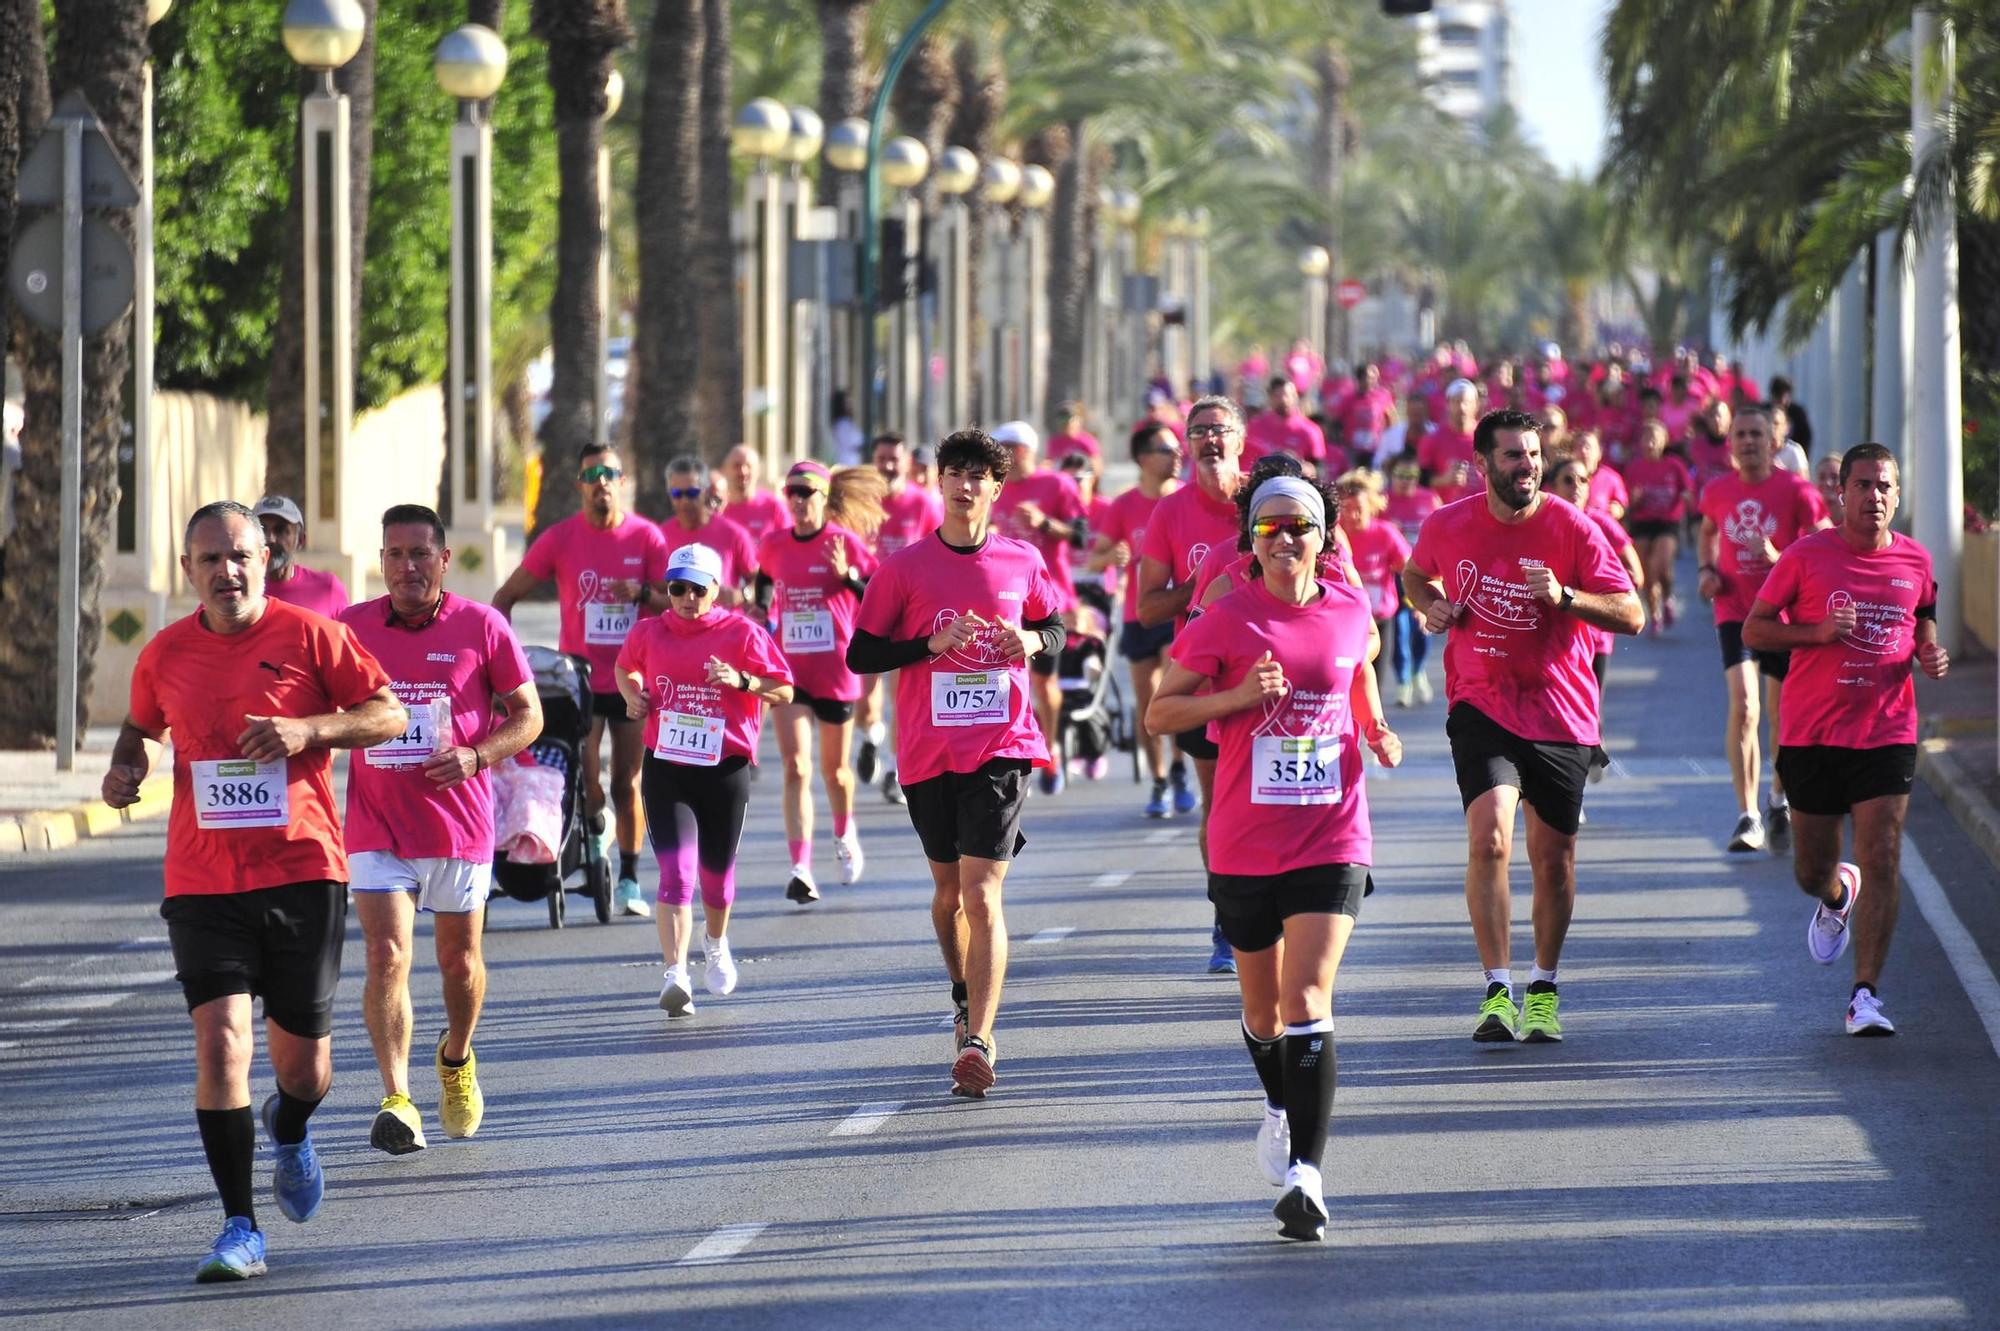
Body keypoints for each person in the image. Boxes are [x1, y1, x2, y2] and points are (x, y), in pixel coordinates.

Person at [102, 501, 404, 1283]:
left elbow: (388, 714)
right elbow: (138, 727)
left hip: (303, 871)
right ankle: (240, 1225)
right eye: (210, 560)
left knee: (303, 1070)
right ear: (188, 572)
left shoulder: (313, 637)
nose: (226, 571)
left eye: (239, 555)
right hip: (202, 880)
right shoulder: (163, 653)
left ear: (265, 558)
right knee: (222, 1043)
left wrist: (308, 731)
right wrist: (125, 766)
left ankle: (292, 1124)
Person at [1148, 474, 1401, 1241]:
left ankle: (1307, 1176)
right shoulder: (1223, 619)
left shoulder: (1354, 608)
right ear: (1251, 542)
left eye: (1301, 526)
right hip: (1245, 839)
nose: (1286, 539)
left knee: (1308, 998)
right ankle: (1280, 1104)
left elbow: (1357, 671)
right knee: (1261, 1013)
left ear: (1325, 537)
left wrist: (1378, 726)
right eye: (1270, 528)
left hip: (1332, 833)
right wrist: (1232, 699)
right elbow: (1162, 710)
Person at [1401, 411, 1643, 1043]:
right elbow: (1413, 576)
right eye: (1513, 456)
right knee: (1490, 841)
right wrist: (1431, 608)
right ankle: (1497, 988)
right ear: (1482, 465)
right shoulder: (1447, 525)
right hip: (1481, 705)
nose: (1528, 466)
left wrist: (1565, 598)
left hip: (1561, 712)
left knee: (1554, 860)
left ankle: (1543, 985)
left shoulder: (1574, 528)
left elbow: (1631, 612)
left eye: (1533, 455)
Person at [847, 428, 1066, 1098]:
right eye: (956, 473)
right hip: (925, 752)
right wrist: (928, 643)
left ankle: (979, 1038)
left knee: (982, 892)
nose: (967, 485)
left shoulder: (1022, 560)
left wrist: (1028, 637)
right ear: (938, 482)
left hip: (1001, 748)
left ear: (997, 488)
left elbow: (1057, 629)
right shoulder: (905, 569)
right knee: (948, 897)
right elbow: (861, 654)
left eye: (980, 475)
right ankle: (963, 993)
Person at [339, 505, 543, 1155]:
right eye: (395, 554)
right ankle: (396, 1097)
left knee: (458, 962)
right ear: (381, 561)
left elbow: (529, 715)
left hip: (457, 823)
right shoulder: (350, 627)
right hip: (376, 822)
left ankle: (455, 1058)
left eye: (420, 554)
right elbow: (311, 700)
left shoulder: (480, 626)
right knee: (386, 954)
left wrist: (477, 755)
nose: (407, 567)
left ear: (444, 560)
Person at [1743, 443, 1947, 1035]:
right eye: (1862, 486)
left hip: (1886, 729)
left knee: (1883, 850)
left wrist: (1927, 649)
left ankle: (1865, 996)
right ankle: (1836, 894)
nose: (1874, 497)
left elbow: (1924, 609)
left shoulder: (1915, 559)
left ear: (1897, 496)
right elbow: (1757, 628)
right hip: (1812, 735)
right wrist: (1818, 631)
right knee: (1811, 869)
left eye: (1885, 487)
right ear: (1842, 493)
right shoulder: (1806, 557)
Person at [616, 543, 794, 1015]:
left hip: (725, 770)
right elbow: (624, 667)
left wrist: (741, 682)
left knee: (715, 881)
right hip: (667, 767)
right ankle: (675, 972)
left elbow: (785, 688)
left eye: (698, 588)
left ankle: (715, 941)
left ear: (716, 590)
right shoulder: (649, 632)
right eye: (677, 588)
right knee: (675, 875)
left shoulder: (742, 632)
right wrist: (633, 696)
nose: (687, 597)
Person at [493, 444, 671, 917]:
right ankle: (596, 834)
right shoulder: (560, 538)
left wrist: (644, 594)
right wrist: (503, 660)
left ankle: (631, 877)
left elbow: (679, 604)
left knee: (627, 783)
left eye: (610, 472)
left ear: (622, 481)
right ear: (580, 485)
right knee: (588, 781)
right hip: (583, 681)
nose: (602, 482)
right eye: (592, 473)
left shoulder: (647, 538)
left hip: (633, 677)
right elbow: (505, 597)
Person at [1138, 395, 1253, 972]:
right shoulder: (1170, 513)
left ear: (1240, 440)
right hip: (1206, 685)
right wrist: (1206, 585)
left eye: (1219, 430)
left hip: (1272, 680)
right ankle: (1228, 919)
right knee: (1220, 805)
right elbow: (1147, 608)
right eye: (1198, 431)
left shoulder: (1268, 498)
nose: (1209, 440)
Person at [1696, 403, 1831, 853]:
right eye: (1741, 435)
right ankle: (1747, 814)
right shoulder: (1717, 490)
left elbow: (1823, 541)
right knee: (1746, 706)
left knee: (1782, 714)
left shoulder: (1796, 490)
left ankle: (1777, 797)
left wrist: (1782, 560)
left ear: (1773, 441)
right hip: (1734, 610)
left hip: (1785, 616)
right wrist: (1705, 570)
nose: (1749, 442)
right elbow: (1709, 530)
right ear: (1730, 443)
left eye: (1757, 434)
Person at [756, 462, 885, 902]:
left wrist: (847, 576)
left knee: (836, 772)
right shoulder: (773, 544)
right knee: (796, 767)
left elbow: (877, 595)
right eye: (791, 491)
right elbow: (764, 584)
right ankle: (800, 867)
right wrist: (761, 611)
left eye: (806, 492)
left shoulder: (843, 542)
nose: (797, 499)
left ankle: (845, 832)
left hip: (835, 668)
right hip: (790, 670)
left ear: (824, 498)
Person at [1089, 422, 1186, 816]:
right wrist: (1112, 559)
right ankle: (1160, 779)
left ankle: (1180, 769)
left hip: (1178, 613)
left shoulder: (1185, 499)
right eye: (1167, 449)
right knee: (1148, 702)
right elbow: (1095, 557)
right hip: (1138, 614)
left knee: (1173, 689)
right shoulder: (1124, 506)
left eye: (1178, 448)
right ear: (1143, 459)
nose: (1177, 455)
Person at [988, 420, 1087, 794]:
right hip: (1001, 600)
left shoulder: (1056, 484)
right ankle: (1015, 751)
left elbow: (1079, 534)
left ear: (1027, 450)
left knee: (1044, 683)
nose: (1006, 457)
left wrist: (1045, 523)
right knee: (1009, 680)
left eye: (1011, 449)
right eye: (1000, 450)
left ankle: (1053, 746)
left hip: (1048, 595)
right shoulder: (993, 489)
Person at [857, 432, 944, 802]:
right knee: (865, 699)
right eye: (882, 458)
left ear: (907, 462)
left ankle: (895, 769)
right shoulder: (862, 502)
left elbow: (941, 550)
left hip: (910, 613)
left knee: (902, 697)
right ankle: (871, 738)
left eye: (894, 458)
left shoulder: (923, 503)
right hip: (865, 607)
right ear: (873, 462)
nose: (888, 466)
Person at [1548, 459, 1646, 708]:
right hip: (1555, 635)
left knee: (1590, 709)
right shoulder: (1544, 525)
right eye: (1568, 481)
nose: (1576, 487)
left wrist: (1603, 585)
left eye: (1583, 480)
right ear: (1552, 487)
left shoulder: (1601, 523)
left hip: (1596, 634)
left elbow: (1636, 574)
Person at [1334, 469, 1411, 697]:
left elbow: (1409, 570)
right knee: (1346, 679)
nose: (1352, 516)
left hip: (1379, 620)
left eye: (1358, 510)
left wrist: (1419, 603)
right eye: (1346, 509)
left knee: (1373, 681)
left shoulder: (1385, 533)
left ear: (1372, 506)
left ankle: (1370, 728)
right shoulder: (1334, 535)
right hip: (1345, 620)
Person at [1620, 420, 1695, 634]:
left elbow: (1687, 491)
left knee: (1660, 564)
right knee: (1646, 571)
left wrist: (1688, 500)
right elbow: (1626, 503)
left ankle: (1668, 596)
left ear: (1664, 441)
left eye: (1655, 438)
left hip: (1667, 522)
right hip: (1643, 521)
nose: (1650, 442)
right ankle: (1654, 614)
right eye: (1646, 438)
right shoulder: (1635, 467)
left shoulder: (1674, 465)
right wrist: (1634, 500)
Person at [658, 455, 759, 606]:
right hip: (678, 627)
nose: (684, 500)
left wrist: (744, 594)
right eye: (677, 494)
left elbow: (761, 580)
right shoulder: (660, 536)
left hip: (723, 625)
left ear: (705, 492)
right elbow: (656, 587)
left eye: (692, 493)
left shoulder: (733, 533)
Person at [1382, 458, 1440, 706]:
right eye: (1400, 476)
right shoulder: (1383, 501)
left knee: (1423, 628)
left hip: (1425, 571)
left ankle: (1418, 671)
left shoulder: (1429, 499)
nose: (1405, 482)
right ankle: (1403, 682)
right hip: (1395, 573)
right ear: (1392, 476)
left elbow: (1442, 531)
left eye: (1410, 476)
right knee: (1400, 628)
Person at [253, 496, 350, 620]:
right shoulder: (241, 590)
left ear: (301, 541)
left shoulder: (327, 588)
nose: (270, 539)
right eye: (262, 530)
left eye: (281, 530)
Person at [1244, 376, 1330, 472]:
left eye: (1287, 395)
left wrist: (1304, 468)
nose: (1284, 400)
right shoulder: (1255, 427)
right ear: (1270, 397)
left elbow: (1319, 468)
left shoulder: (1310, 430)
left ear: (1296, 396)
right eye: (1277, 395)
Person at [715, 444, 790, 548]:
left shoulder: (774, 506)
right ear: (725, 470)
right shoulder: (718, 510)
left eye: (748, 466)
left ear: (757, 471)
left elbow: (790, 545)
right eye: (737, 466)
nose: (743, 471)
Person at [1417, 380, 1479, 504]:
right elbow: (1421, 480)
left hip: (1482, 511)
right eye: (1456, 402)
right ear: (1447, 404)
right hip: (1447, 511)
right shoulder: (1433, 439)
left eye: (1466, 402)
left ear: (1476, 405)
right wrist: (1444, 480)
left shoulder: (1487, 436)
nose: (1462, 408)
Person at [1045, 402, 1104, 476]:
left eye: (1069, 422)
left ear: (1078, 422)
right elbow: (1049, 464)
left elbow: (1097, 468)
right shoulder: (1054, 442)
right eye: (1063, 423)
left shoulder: (1087, 441)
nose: (1066, 426)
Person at [1769, 375, 1812, 454]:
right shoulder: (1764, 412)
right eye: (1778, 396)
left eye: (1785, 396)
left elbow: (1805, 437)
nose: (1782, 401)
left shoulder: (1797, 413)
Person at [829, 390, 865, 467]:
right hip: (845, 461)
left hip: (851, 459)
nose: (850, 405)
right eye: (847, 403)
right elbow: (853, 441)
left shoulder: (848, 422)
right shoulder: (841, 424)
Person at [1813, 453, 1845, 525]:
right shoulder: (1807, 524)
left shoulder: (1854, 525)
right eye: (1822, 477)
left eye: (1834, 477)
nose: (1828, 483)